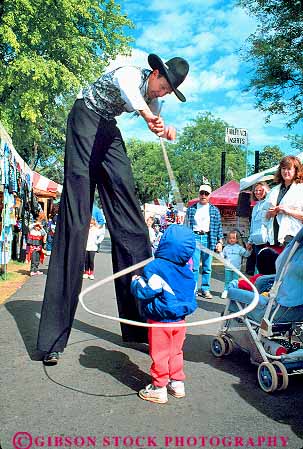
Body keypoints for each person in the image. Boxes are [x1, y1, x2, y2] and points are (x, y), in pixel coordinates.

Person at [37, 53, 189, 365]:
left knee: (132, 223)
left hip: (107, 130)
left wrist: (166, 130)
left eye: (168, 92)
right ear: (156, 72)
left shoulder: (154, 99)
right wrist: (149, 116)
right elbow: (130, 93)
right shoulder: (132, 74)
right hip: (84, 118)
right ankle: (52, 338)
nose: (162, 93)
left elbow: (154, 122)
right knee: (77, 220)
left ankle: (141, 325)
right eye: (164, 85)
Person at [131, 225, 196, 404]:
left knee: (160, 353)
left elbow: (146, 291)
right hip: (180, 321)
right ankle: (177, 383)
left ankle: (159, 388)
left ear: (165, 242)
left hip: (160, 320)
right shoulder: (187, 271)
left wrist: (135, 282)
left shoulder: (157, 267)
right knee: (176, 351)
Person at [185, 184, 223, 299]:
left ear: (210, 195)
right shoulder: (191, 209)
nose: (203, 195)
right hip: (194, 238)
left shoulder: (214, 210)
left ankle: (205, 289)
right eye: (202, 193)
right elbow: (186, 226)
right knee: (194, 266)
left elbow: (218, 227)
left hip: (208, 238)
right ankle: (194, 289)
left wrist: (220, 242)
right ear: (199, 194)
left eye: (206, 193)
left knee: (207, 267)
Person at [263, 155, 303, 251]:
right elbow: (264, 216)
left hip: (292, 236)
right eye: (283, 168)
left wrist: (287, 210)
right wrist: (270, 213)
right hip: (273, 237)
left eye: (289, 169)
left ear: (296, 170)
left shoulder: (301, 189)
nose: (286, 172)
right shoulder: (273, 190)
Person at [245, 182, 270, 275]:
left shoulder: (268, 203)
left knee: (266, 267)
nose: (258, 192)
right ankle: (257, 287)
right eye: (256, 190)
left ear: (265, 191)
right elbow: (253, 225)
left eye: (260, 190)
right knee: (258, 267)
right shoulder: (255, 207)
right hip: (256, 241)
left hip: (267, 241)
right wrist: (250, 241)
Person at [220, 229, 251, 299]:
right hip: (228, 268)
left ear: (237, 239)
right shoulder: (226, 248)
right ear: (228, 239)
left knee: (235, 281)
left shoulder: (240, 248)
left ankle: (235, 292)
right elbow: (222, 257)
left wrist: (249, 250)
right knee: (227, 280)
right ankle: (226, 291)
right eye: (230, 238)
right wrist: (220, 251)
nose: (231, 239)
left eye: (233, 238)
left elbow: (246, 255)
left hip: (236, 268)